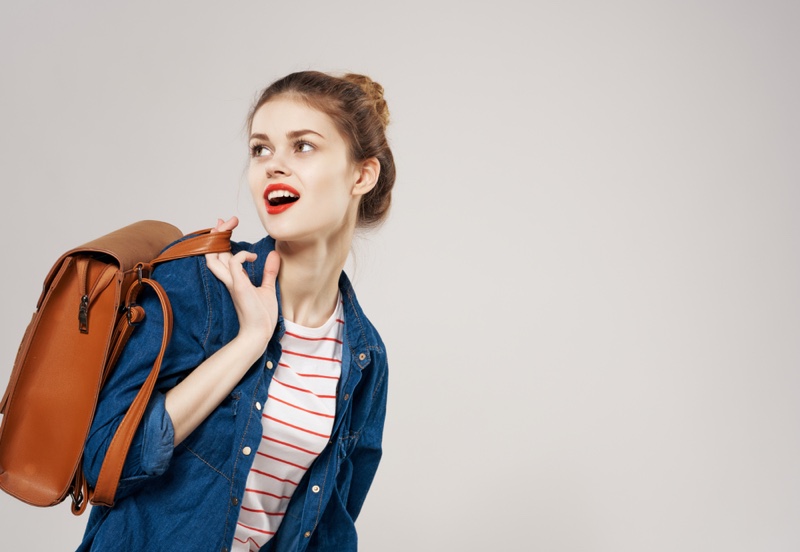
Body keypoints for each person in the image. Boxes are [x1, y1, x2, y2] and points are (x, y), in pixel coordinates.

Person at [77, 71, 394, 552]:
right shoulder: (201, 283)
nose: (273, 166)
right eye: (260, 149)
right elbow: (103, 465)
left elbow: (329, 528)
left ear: (361, 175)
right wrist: (249, 342)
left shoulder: (364, 357)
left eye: (302, 146)